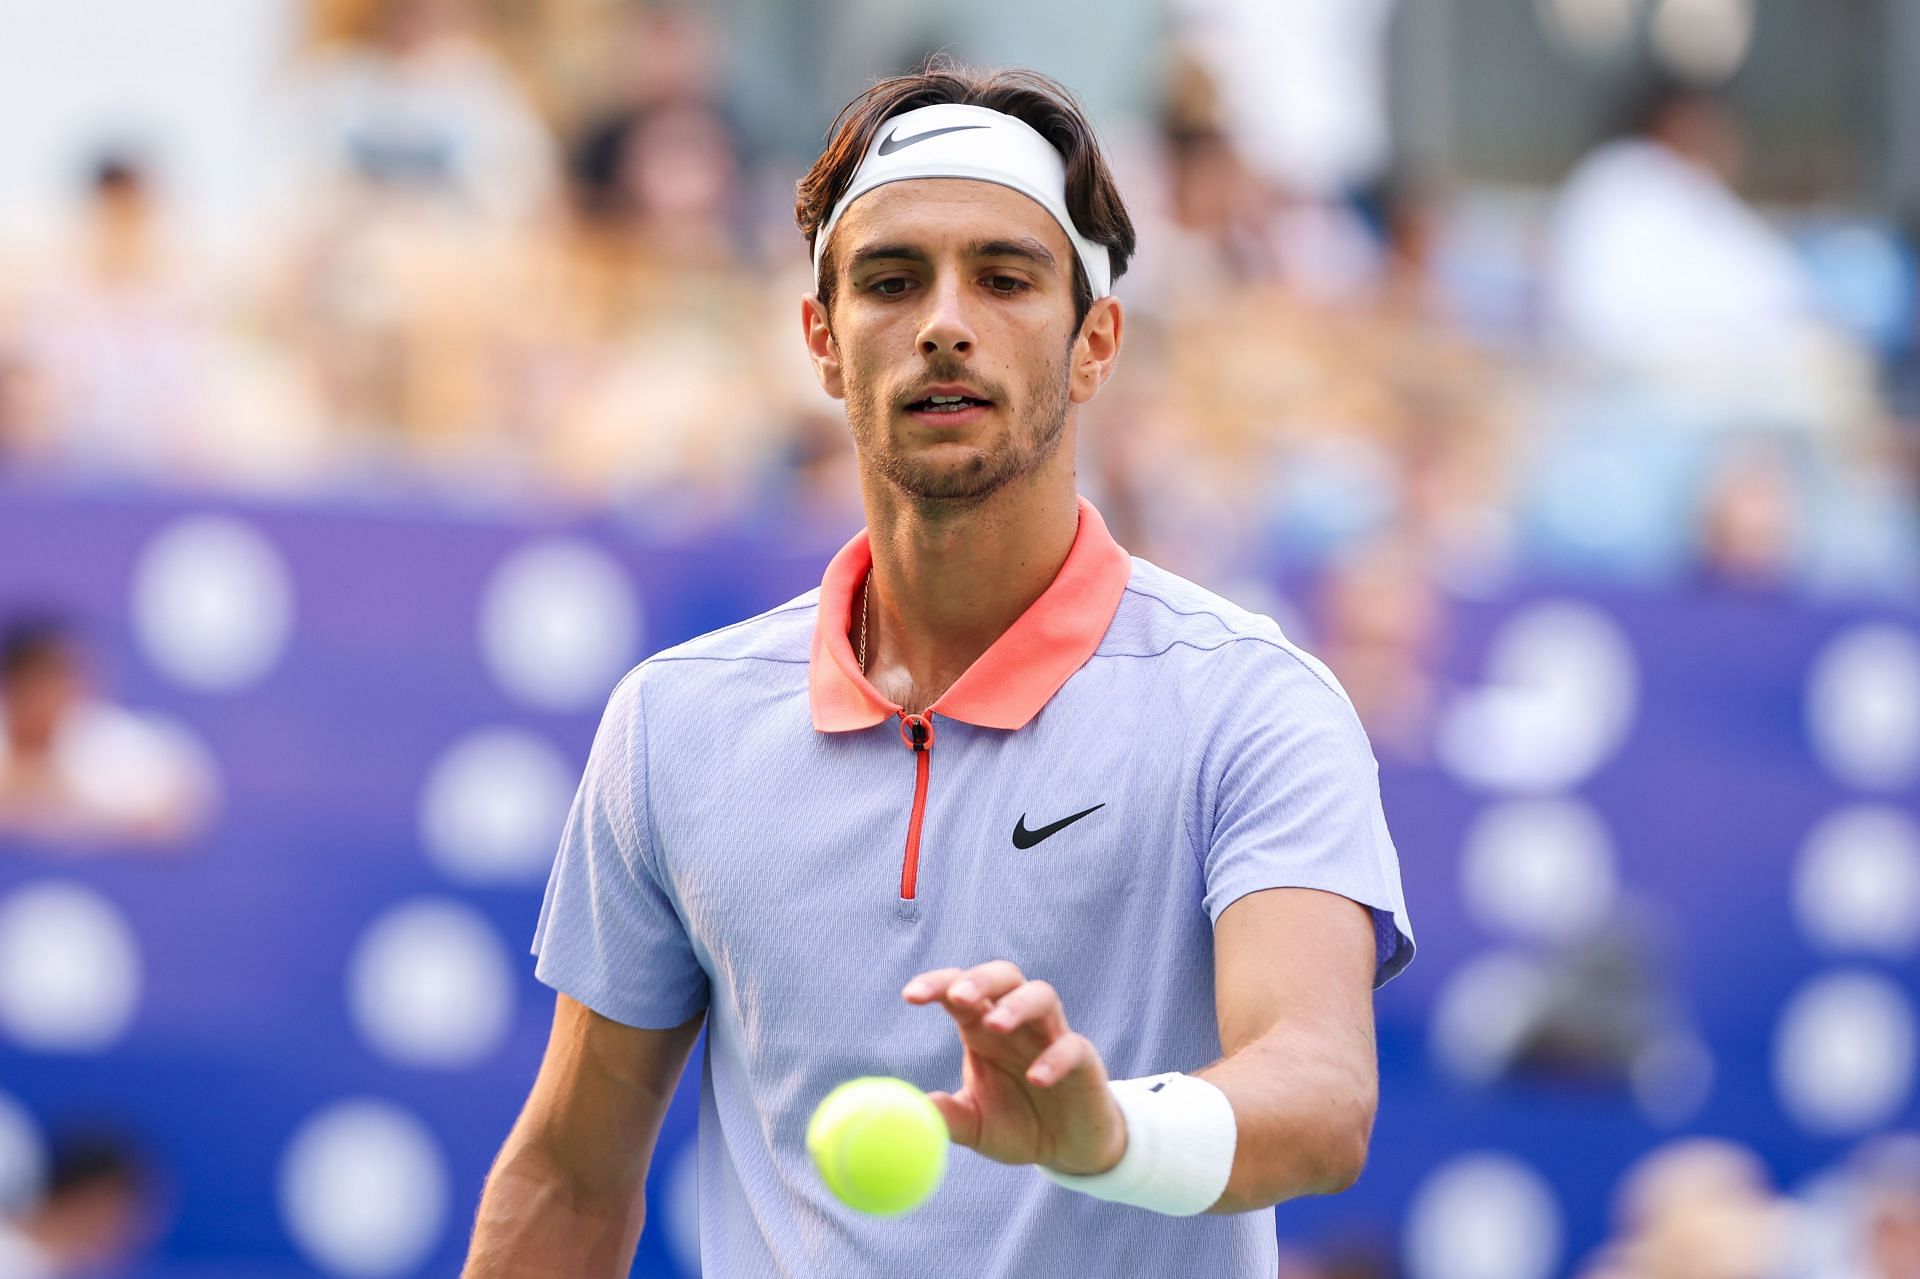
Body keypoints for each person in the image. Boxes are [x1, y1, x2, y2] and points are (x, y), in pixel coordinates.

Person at [463, 61, 1413, 1278]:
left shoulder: (1253, 703)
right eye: (891, 280)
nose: (945, 320)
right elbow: (569, 1177)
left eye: (1007, 278)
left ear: (1094, 343)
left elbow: (1323, 1093)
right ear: (822, 340)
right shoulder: (673, 726)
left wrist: (1113, 1134)